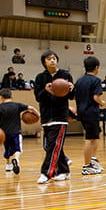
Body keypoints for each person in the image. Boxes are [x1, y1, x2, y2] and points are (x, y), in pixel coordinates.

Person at [34, 50, 74, 183]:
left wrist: (72, 89)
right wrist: (45, 90)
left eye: (54, 58)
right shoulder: (40, 78)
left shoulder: (65, 75)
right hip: (46, 116)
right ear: (44, 62)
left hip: (60, 116)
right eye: (49, 59)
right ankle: (64, 170)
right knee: (51, 146)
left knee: (54, 145)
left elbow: (72, 96)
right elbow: (38, 98)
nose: (52, 60)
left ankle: (47, 173)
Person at [75, 56, 105, 175]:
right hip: (91, 111)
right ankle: (86, 166)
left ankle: (92, 160)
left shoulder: (79, 80)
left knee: (97, 134)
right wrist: (101, 103)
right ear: (96, 68)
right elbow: (96, 97)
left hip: (81, 111)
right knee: (90, 138)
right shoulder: (96, 80)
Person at [0, 88, 37, 174]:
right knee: (17, 149)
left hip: (5, 133)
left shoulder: (0, 107)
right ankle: (16, 159)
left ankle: (8, 165)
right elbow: (30, 108)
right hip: (16, 132)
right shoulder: (17, 105)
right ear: (12, 96)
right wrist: (38, 115)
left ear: (1, 97)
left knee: (7, 149)